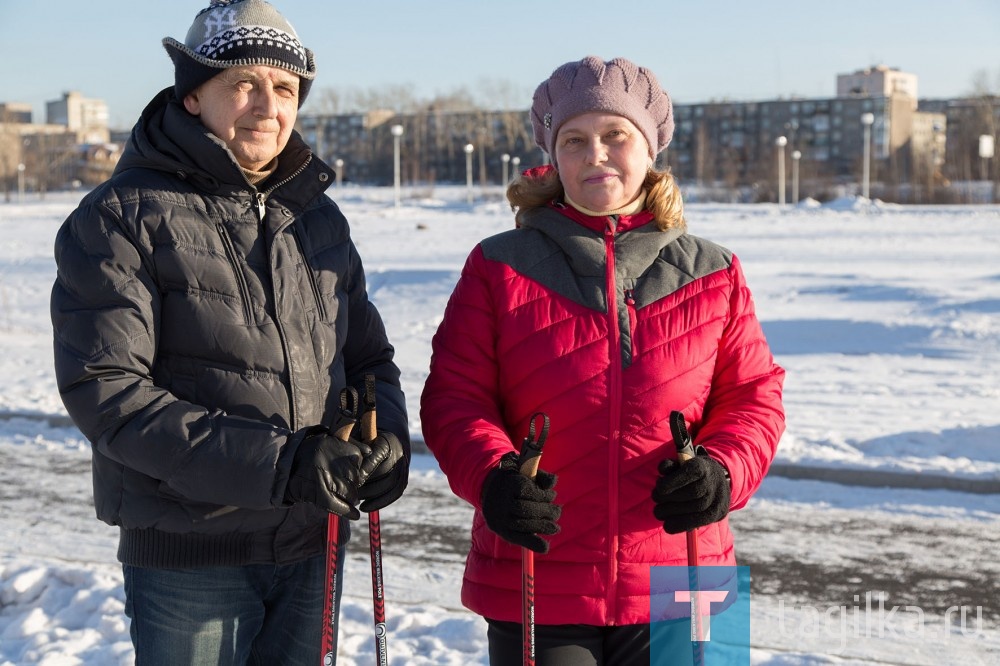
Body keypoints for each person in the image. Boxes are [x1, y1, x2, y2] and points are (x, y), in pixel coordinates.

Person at [50, 1, 409, 663]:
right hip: (191, 557)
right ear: (192, 96)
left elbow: (367, 358)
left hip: (311, 542)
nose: (267, 106)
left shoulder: (318, 218)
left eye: (283, 88)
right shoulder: (120, 217)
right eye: (242, 84)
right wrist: (284, 465)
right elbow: (110, 395)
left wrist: (386, 440)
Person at [420, 55, 785, 665]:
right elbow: (456, 398)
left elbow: (754, 397)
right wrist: (494, 478)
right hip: (540, 566)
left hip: (684, 569)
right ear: (552, 155)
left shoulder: (713, 269)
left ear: (649, 148)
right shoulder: (498, 265)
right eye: (575, 140)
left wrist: (723, 469)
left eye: (615, 136)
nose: (596, 155)